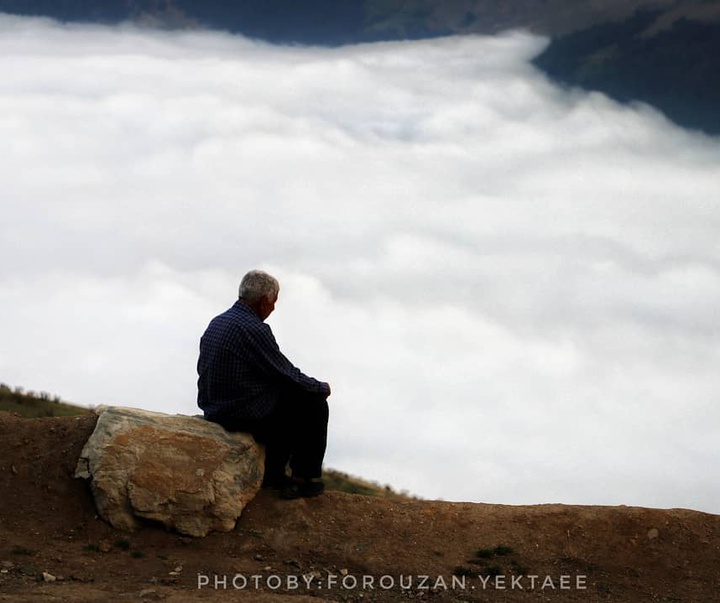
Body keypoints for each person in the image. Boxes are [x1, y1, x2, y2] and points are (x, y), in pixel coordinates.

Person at [197, 269, 331, 499]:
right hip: (236, 413)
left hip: (213, 406)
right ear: (262, 302)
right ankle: (300, 479)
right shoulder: (253, 328)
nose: (273, 308)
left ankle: (274, 473)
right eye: (273, 302)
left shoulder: (219, 321)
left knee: (284, 398)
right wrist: (320, 388)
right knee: (312, 404)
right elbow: (283, 372)